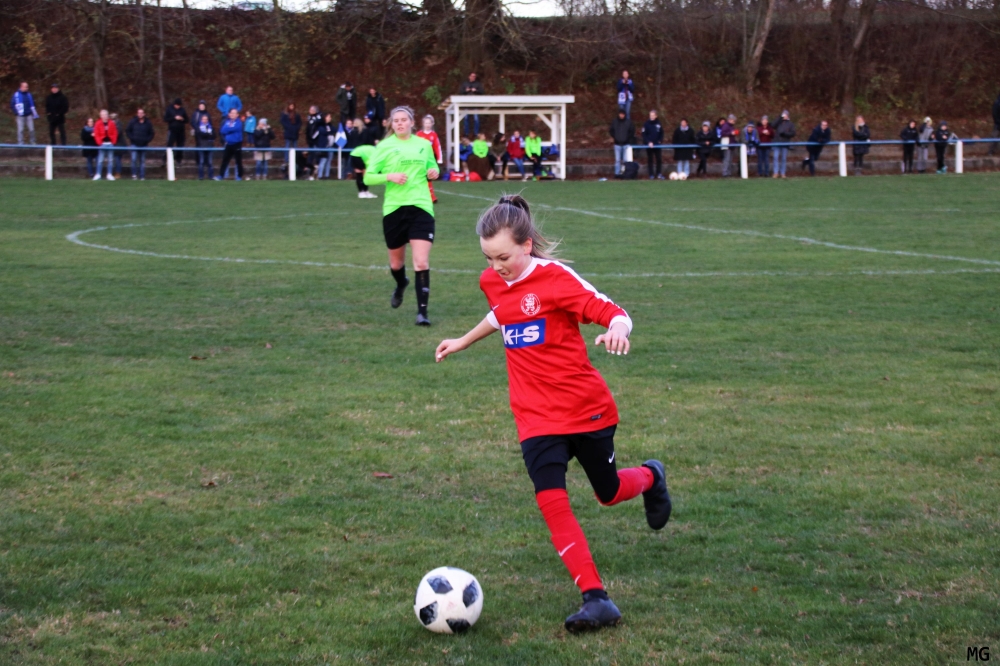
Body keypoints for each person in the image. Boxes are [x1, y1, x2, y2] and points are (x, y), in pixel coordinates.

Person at [434, 194, 671, 633]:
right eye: (488, 258)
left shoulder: (556, 279)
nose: (496, 267)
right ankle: (596, 598)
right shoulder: (493, 280)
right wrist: (463, 340)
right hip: (535, 418)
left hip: (585, 409)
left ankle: (651, 476)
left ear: (526, 245)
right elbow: (502, 312)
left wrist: (617, 329)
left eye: (504, 257)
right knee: (551, 501)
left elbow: (612, 311)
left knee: (608, 492)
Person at [363, 105, 440, 326]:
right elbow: (368, 177)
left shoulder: (424, 145)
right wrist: (390, 176)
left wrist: (433, 172)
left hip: (421, 206)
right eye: (395, 120)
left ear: (411, 122)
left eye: (403, 120)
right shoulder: (384, 146)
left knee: (421, 262)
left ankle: (422, 313)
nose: (399, 123)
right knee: (396, 264)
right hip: (394, 209)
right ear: (391, 124)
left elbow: (433, 168)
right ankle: (401, 283)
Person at [415, 114, 443, 202]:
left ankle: (432, 197)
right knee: (420, 177)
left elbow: (437, 146)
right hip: (419, 159)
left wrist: (439, 158)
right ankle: (418, 196)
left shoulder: (433, 135)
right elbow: (414, 146)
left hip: (429, 160)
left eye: (429, 123)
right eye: (426, 123)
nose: (427, 125)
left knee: (429, 177)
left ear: (432, 124)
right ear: (423, 124)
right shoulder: (419, 134)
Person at [215, 108, 244, 181]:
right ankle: (221, 175)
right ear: (229, 114)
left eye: (234, 113)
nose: (233, 114)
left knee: (238, 161)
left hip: (237, 144)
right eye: (232, 113)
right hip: (228, 144)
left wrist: (228, 129)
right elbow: (222, 131)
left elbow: (235, 128)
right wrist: (229, 129)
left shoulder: (239, 122)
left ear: (237, 115)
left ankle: (239, 176)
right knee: (225, 160)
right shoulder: (227, 122)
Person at [126, 108, 155, 180]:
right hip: (134, 144)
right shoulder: (133, 122)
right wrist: (132, 138)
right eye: (139, 113)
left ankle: (142, 176)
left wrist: (147, 140)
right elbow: (128, 131)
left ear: (144, 114)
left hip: (144, 145)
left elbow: (152, 133)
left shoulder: (148, 123)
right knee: (133, 159)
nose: (140, 114)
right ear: (137, 114)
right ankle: (134, 175)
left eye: (141, 113)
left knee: (142, 161)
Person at [93, 109, 117, 180]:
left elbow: (115, 133)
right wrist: (99, 143)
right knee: (100, 160)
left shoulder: (111, 123)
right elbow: (96, 134)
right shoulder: (98, 123)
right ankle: (98, 174)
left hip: (110, 143)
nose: (104, 116)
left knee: (110, 160)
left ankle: (109, 174)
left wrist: (113, 142)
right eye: (103, 115)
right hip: (102, 144)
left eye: (106, 114)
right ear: (101, 116)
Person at [163, 98, 189, 165]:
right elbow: (165, 119)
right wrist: (174, 118)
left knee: (180, 145)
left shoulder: (182, 110)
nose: (177, 106)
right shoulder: (169, 109)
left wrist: (182, 119)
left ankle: (178, 160)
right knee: (169, 145)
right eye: (176, 105)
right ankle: (165, 160)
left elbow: (187, 120)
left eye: (179, 105)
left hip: (181, 131)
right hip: (172, 130)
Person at [610, 109, 634, 177]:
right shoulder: (615, 122)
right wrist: (615, 137)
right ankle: (617, 174)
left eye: (623, 114)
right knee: (617, 160)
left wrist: (628, 138)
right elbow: (611, 130)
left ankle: (624, 173)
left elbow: (632, 131)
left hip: (626, 144)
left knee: (625, 160)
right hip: (617, 144)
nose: (621, 115)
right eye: (620, 114)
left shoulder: (628, 122)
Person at [194, 108, 216, 180]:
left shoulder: (211, 127)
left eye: (206, 119)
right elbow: (200, 135)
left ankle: (210, 176)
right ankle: (201, 177)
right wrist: (208, 134)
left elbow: (214, 136)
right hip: (201, 146)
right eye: (203, 119)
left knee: (210, 162)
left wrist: (206, 134)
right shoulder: (198, 127)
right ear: (201, 120)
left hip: (210, 146)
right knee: (201, 162)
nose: (205, 120)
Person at [642, 110, 664, 180]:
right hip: (649, 145)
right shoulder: (646, 124)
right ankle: (651, 174)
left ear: (656, 116)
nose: (651, 116)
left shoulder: (659, 123)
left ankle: (659, 173)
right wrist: (648, 142)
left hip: (657, 145)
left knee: (659, 159)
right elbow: (644, 135)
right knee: (650, 159)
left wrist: (660, 140)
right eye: (650, 115)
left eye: (653, 115)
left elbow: (661, 133)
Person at [773, 110, 795, 178]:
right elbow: (773, 125)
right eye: (783, 114)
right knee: (775, 157)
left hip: (785, 143)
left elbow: (793, 133)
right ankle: (776, 172)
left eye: (785, 115)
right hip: (777, 142)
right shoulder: (779, 122)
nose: (784, 116)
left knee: (783, 159)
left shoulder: (790, 124)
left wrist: (785, 134)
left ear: (788, 116)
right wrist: (780, 118)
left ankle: (783, 173)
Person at [110, 113, 126, 177]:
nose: (112, 121)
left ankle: (118, 172)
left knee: (117, 159)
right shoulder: (114, 125)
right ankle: (116, 172)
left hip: (119, 145)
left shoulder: (118, 126)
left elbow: (116, 134)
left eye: (114, 119)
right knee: (116, 159)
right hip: (116, 145)